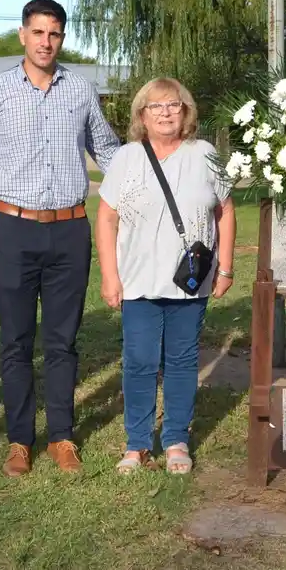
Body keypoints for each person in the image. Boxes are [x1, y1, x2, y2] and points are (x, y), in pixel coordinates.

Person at [0, 0, 122, 477]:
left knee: (63, 341)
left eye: (54, 34)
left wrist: (150, 182)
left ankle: (62, 436)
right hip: (11, 229)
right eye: (38, 32)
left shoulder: (82, 91)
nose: (46, 42)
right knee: (15, 341)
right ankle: (18, 440)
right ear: (22, 35)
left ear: (62, 38)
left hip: (70, 230)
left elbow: (108, 150)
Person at [96, 78, 236, 474]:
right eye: (155, 107)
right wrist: (110, 275)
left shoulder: (205, 154)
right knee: (138, 360)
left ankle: (176, 439)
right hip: (138, 278)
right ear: (142, 115)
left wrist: (225, 266)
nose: (165, 113)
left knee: (181, 360)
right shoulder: (126, 157)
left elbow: (225, 210)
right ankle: (137, 444)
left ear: (186, 111)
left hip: (188, 281)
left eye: (173, 105)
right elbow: (106, 218)